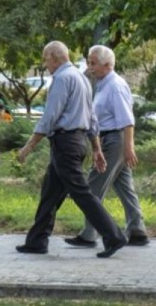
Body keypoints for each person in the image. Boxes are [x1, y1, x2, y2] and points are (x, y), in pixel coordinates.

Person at [15, 41, 127, 258]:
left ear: (54, 57)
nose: (45, 64)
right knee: (50, 193)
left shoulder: (62, 79)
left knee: (81, 193)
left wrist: (28, 147)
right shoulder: (82, 79)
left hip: (65, 143)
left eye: (45, 59)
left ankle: (114, 236)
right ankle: (37, 240)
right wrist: (96, 148)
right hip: (76, 142)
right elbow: (92, 117)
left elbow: (50, 117)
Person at [63, 45, 149, 249]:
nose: (89, 67)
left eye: (93, 63)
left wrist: (128, 148)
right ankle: (137, 230)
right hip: (110, 139)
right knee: (124, 187)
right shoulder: (103, 84)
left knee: (92, 187)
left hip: (115, 141)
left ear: (108, 65)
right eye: (88, 62)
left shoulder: (115, 86)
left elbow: (127, 120)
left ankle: (89, 234)